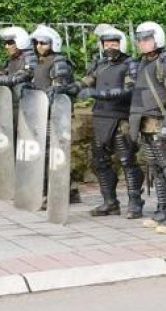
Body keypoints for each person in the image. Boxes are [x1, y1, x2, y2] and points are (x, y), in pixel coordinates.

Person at [75, 25, 142, 217]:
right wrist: (70, 88)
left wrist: (99, 94)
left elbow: (129, 89)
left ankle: (135, 202)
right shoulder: (100, 64)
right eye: (107, 43)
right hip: (100, 118)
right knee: (100, 162)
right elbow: (86, 80)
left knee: (127, 161)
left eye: (114, 42)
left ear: (122, 43)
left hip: (120, 118)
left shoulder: (130, 63)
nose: (110, 46)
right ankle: (110, 202)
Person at [130, 22, 166, 231]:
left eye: (147, 39)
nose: (142, 43)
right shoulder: (143, 63)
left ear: (158, 39)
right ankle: (163, 210)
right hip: (146, 123)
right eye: (140, 39)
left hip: (161, 123)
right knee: (155, 170)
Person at [29, 25, 78, 203]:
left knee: (53, 154)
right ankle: (70, 191)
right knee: (50, 154)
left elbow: (58, 88)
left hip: (56, 115)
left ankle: (57, 194)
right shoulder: (40, 62)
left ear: (53, 43)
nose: (39, 46)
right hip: (43, 113)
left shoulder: (58, 62)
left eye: (43, 43)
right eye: (37, 43)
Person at [0, 26, 37, 155]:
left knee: (24, 143)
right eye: (6, 43)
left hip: (26, 107)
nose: (6, 47)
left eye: (10, 43)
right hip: (12, 105)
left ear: (20, 42)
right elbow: (4, 73)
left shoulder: (29, 58)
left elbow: (17, 78)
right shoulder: (12, 59)